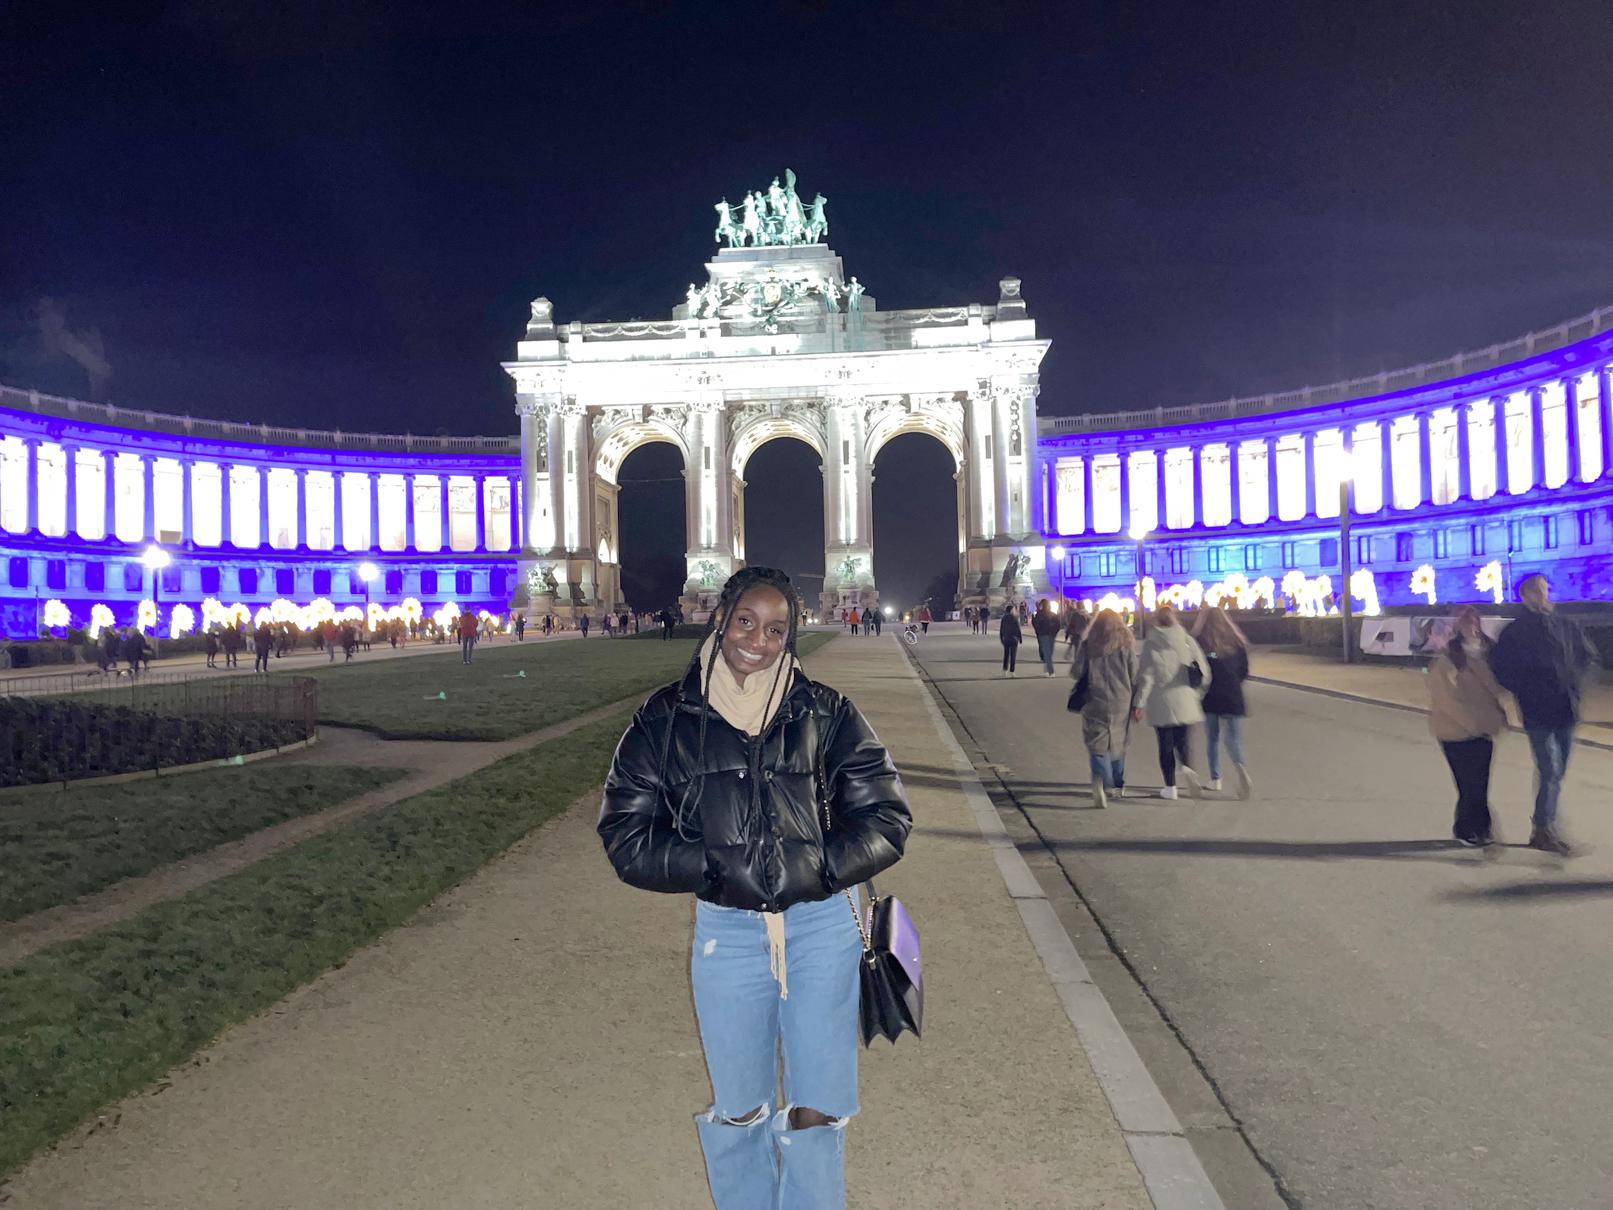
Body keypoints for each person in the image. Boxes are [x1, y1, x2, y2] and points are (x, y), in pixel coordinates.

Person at [598, 567, 911, 1209]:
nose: (758, 641)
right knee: (738, 1111)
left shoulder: (826, 711)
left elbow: (887, 815)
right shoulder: (665, 719)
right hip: (729, 933)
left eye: (776, 629)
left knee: (816, 1110)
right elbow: (625, 834)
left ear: (789, 636)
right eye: (746, 621)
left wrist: (820, 869)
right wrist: (710, 866)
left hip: (823, 925)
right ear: (721, 618)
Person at [1488, 573, 1599, 855]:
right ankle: (1543, 828)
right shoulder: (1515, 632)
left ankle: (1546, 825)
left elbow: (1588, 656)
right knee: (1549, 768)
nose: (1542, 595)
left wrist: (1575, 684)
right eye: (1536, 591)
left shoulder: (1566, 625)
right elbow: (1501, 668)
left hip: (1566, 708)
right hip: (1536, 709)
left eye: (1545, 590)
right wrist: (1527, 688)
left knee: (1558, 770)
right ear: (1524, 596)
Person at [1427, 605, 1508, 847]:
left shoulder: (1490, 653)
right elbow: (1444, 695)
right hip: (1454, 729)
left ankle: (1478, 829)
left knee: (1480, 781)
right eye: (1464, 621)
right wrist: (1470, 723)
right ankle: (1469, 829)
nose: (1471, 625)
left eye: (1474, 620)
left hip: (1483, 727)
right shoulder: (1448, 657)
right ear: (1457, 626)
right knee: (1467, 782)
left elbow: (1499, 687)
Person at [1135, 604, 1209, 799]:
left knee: (1165, 745)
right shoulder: (1187, 640)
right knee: (1183, 741)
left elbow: (1146, 677)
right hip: (1186, 698)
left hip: (1162, 701)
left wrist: (1139, 703)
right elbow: (1204, 670)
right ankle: (1187, 768)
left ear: (1156, 621)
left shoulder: (1151, 643)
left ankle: (1170, 788)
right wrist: (1198, 694)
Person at [1070, 609, 1141, 807]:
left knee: (1096, 744)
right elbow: (1135, 677)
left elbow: (1076, 671)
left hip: (1095, 699)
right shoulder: (1125, 645)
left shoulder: (1088, 645)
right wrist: (1138, 703)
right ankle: (1117, 785)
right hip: (1122, 701)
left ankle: (1101, 781)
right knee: (1119, 743)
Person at [1192, 607, 1253, 798]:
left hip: (1211, 695)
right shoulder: (1237, 643)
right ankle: (1240, 767)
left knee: (1213, 738)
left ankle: (1215, 778)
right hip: (1233, 695)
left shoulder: (1202, 643)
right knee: (1234, 739)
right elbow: (1244, 671)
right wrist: (1234, 682)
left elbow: (1198, 668)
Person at [1031, 599, 1061, 677]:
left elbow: (1058, 625)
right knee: (1048, 652)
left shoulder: (1048, 614)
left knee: (1049, 652)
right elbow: (1058, 625)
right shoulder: (1041, 614)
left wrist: (1038, 631)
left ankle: (1046, 668)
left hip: (1046, 634)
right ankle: (1051, 671)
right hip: (1045, 635)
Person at [998, 603, 1023, 676]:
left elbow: (1001, 629)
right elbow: (1018, 629)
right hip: (1014, 638)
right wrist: (1020, 638)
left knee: (1006, 655)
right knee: (1013, 655)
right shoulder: (1015, 618)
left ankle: (1004, 670)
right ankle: (1012, 671)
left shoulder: (1004, 618)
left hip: (1006, 638)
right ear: (1012, 610)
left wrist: (1001, 637)